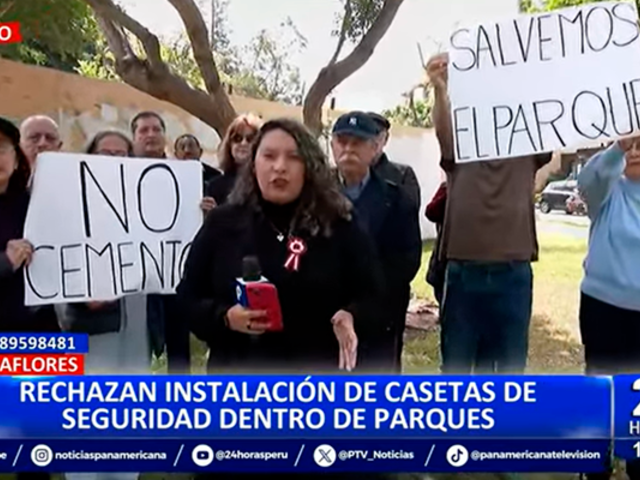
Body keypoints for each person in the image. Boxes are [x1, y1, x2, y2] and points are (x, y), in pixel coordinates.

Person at [177, 118, 384, 373]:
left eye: (293, 158)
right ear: (254, 164)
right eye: (269, 156)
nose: (280, 167)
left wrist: (352, 315)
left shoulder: (340, 224)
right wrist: (225, 317)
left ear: (309, 167)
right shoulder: (222, 223)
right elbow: (188, 297)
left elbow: (374, 296)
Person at [427, 52, 551, 374]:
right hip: (463, 273)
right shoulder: (461, 145)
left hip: (513, 274)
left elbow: (549, 113)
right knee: (456, 369)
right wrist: (440, 88)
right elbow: (443, 130)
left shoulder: (527, 144)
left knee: (509, 371)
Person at [61, 131, 148, 480]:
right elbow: (53, 262)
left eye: (121, 154)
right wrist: (79, 294)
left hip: (134, 323)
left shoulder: (145, 203)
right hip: (88, 327)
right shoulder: (68, 203)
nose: (114, 160)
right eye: (105, 153)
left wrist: (194, 215)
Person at [331, 112, 422, 373]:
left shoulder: (396, 199)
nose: (348, 149)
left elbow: (405, 262)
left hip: (378, 321)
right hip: (327, 321)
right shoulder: (313, 196)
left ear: (374, 149)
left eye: (357, 142)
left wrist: (357, 310)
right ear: (332, 146)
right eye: (342, 141)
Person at [577, 134, 640, 480]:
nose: (636, 153)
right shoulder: (607, 192)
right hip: (602, 309)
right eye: (633, 147)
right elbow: (588, 179)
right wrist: (618, 147)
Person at [130, 111, 187, 373]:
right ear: (134, 137)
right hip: (131, 274)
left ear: (165, 136)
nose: (150, 134)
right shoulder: (115, 174)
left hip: (174, 272)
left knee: (179, 348)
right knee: (136, 347)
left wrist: (202, 209)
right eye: (144, 130)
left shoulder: (185, 176)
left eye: (156, 129)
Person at [205, 113, 262, 206]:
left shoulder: (265, 185)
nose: (243, 143)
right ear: (229, 145)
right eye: (237, 138)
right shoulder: (214, 186)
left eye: (250, 139)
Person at [368, 112, 421, 207]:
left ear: (385, 139)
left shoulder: (403, 174)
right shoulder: (344, 173)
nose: (372, 141)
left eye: (376, 135)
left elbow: (410, 211)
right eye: (366, 135)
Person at [174, 133, 221, 214]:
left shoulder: (215, 176)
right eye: (182, 147)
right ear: (176, 154)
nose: (187, 151)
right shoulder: (170, 176)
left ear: (200, 151)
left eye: (191, 146)